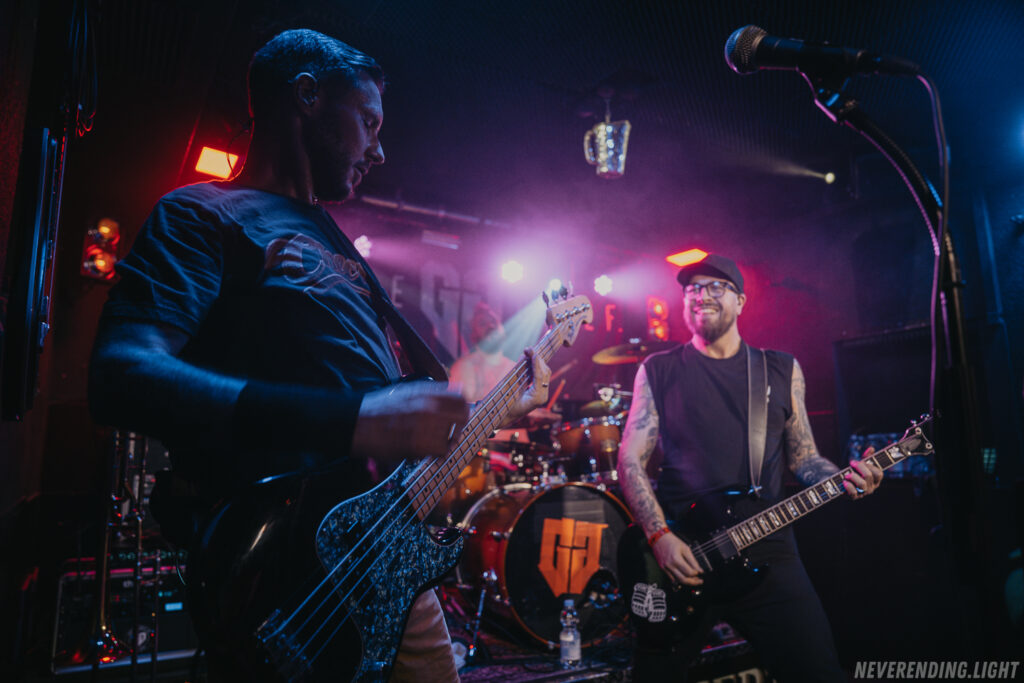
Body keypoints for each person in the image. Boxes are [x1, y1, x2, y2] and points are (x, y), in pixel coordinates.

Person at [88, 29, 550, 682]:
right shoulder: (203, 214)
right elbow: (120, 373)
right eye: (368, 122)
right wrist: (349, 420)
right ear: (307, 96)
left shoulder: (336, 241)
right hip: (281, 569)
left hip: (383, 554)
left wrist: (499, 407)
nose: (379, 149)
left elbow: (380, 417)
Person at [616, 253, 882, 682]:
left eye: (715, 287)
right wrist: (659, 536)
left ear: (740, 301)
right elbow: (630, 459)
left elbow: (804, 457)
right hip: (682, 554)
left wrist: (843, 479)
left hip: (767, 547)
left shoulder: (779, 369)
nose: (701, 295)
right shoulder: (658, 370)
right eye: (692, 289)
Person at [448, 301, 514, 403]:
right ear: (473, 335)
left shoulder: (514, 368)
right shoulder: (463, 367)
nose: (490, 326)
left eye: (493, 321)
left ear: (503, 329)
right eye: (482, 324)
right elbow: (454, 408)